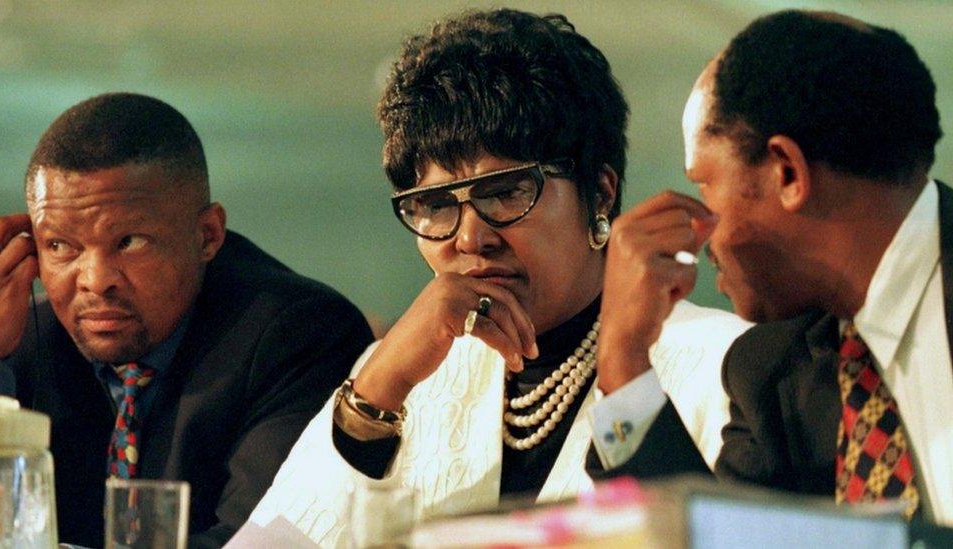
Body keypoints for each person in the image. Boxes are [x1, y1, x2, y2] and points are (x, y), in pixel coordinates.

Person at [239, 9, 749, 547]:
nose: (468, 238)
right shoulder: (402, 375)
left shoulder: (723, 365)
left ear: (598, 193)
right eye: (434, 205)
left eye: (506, 192)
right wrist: (377, 385)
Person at [0, 93, 374, 547]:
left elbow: (257, 541)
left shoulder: (299, 334)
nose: (95, 280)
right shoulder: (17, 340)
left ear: (207, 236)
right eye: (61, 246)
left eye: (128, 241)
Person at [649, 10, 948, 526]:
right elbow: (711, 539)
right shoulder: (770, 373)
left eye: (704, 187)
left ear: (787, 171)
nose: (698, 237)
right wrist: (625, 367)